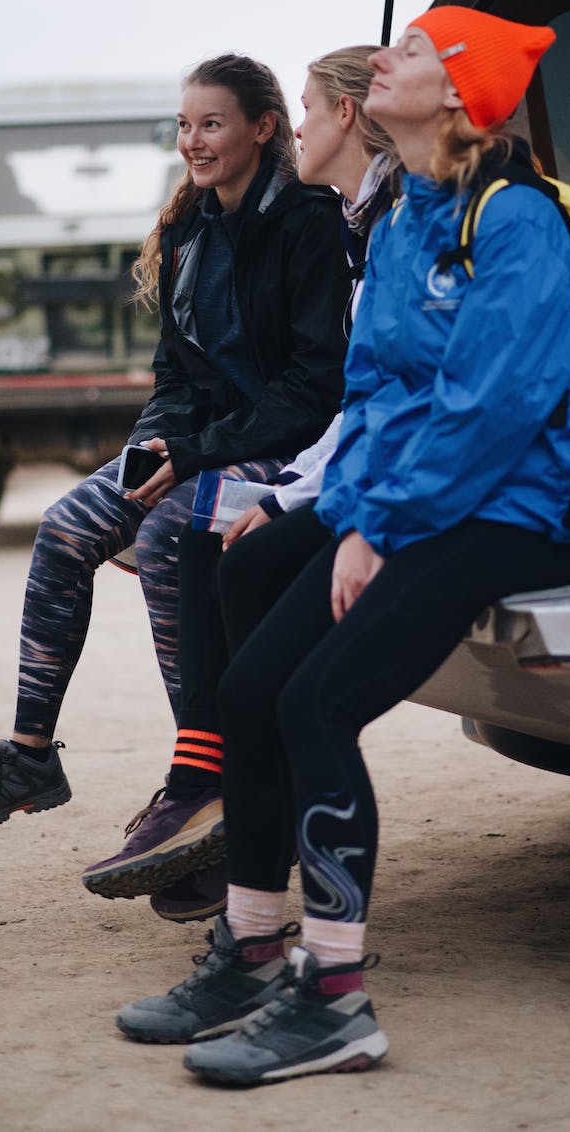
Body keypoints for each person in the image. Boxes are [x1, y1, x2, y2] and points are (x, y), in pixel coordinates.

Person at [116, 7, 570, 1086]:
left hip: (514, 509)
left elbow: (494, 408)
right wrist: (331, 510)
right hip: (418, 497)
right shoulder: (402, 221)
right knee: (249, 683)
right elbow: (379, 391)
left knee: (313, 702)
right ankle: (251, 947)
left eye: (417, 52)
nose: (385, 59)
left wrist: (375, 529)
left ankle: (334, 996)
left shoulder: (515, 220)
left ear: (457, 94)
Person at [0, 53, 348, 832]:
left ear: (262, 129)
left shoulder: (307, 223)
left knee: (162, 541)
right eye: (184, 124)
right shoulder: (189, 225)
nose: (193, 139)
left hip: (288, 444)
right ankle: (28, 756)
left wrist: (195, 455)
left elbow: (313, 387)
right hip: (199, 440)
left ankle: (205, 768)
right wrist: (155, 447)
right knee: (62, 529)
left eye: (211, 123)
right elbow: (176, 370)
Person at [79, 47, 399, 915]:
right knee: (204, 553)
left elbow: (372, 398)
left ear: (347, 117)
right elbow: (360, 399)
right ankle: (204, 804)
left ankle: (265, 899)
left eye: (306, 109)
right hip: (350, 473)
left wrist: (317, 498)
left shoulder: (373, 225)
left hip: (414, 495)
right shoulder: (363, 221)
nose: (297, 128)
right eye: (183, 125)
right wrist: (280, 490)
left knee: (293, 697)